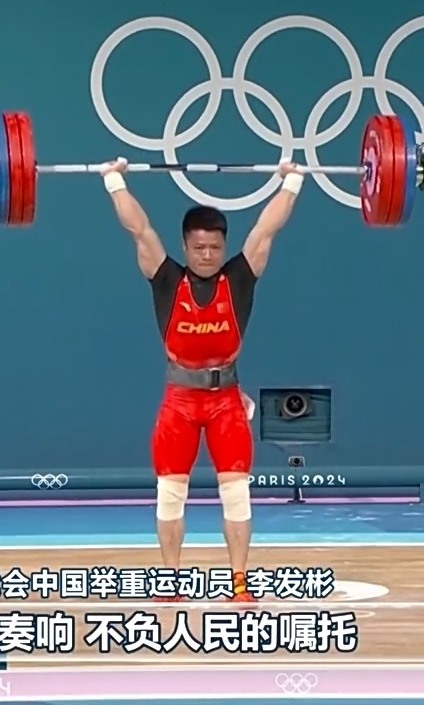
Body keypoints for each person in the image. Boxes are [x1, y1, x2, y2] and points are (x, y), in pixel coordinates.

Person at [100, 158, 303, 602]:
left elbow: (266, 229)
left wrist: (293, 181)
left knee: (237, 494)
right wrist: (114, 179)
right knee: (170, 495)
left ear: (223, 245)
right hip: (180, 402)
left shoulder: (240, 277)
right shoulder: (166, 278)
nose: (207, 255)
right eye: (199, 247)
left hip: (226, 400)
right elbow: (139, 229)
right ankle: (171, 583)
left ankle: (239, 585)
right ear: (186, 246)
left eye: (214, 247)